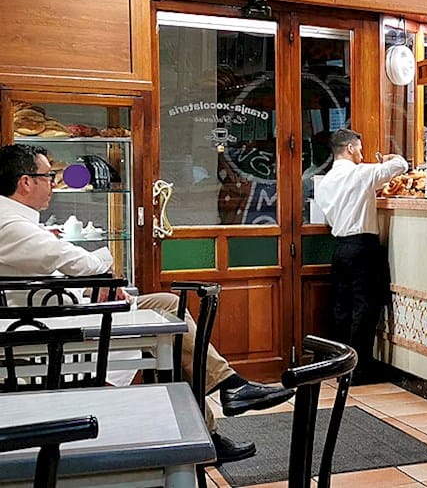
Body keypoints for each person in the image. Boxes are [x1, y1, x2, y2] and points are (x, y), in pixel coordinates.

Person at [0, 143, 295, 464]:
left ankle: (221, 401)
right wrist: (103, 271)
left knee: (169, 312)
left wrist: (96, 285)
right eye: (48, 177)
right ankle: (220, 405)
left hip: (60, 314)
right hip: (51, 329)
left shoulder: (18, 222)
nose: (53, 185)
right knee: (168, 327)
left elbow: (57, 269)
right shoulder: (11, 225)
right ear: (25, 182)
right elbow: (82, 263)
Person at [313, 128, 408, 378]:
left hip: (340, 248)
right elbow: (401, 166)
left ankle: (340, 366)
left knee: (342, 308)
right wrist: (390, 158)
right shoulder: (361, 173)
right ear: (350, 148)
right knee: (364, 308)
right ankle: (360, 368)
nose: (362, 154)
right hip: (362, 247)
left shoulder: (325, 183)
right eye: (360, 148)